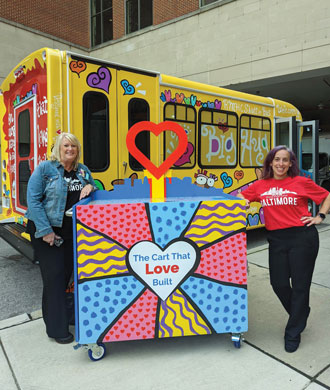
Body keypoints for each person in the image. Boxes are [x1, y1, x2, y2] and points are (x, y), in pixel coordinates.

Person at [238, 145, 330, 353]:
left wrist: (320, 216)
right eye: (277, 159)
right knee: (278, 283)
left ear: (290, 164)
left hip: (302, 238)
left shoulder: (301, 182)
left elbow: (326, 196)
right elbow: (241, 199)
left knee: (299, 286)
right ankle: (301, 313)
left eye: (285, 160)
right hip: (277, 239)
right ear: (270, 162)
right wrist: (240, 204)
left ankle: (293, 332)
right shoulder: (261, 185)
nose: (281, 164)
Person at [26, 133, 97, 344]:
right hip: (47, 231)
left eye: (74, 146)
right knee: (54, 278)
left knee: (65, 277)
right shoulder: (45, 169)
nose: (70, 149)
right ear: (59, 147)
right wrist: (46, 231)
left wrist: (90, 187)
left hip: (72, 233)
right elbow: (34, 201)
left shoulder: (82, 170)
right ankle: (57, 330)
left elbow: (95, 191)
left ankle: (62, 316)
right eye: (66, 145)